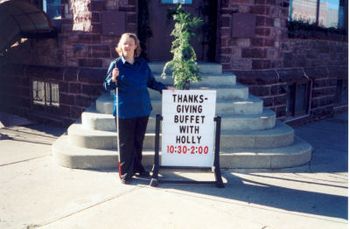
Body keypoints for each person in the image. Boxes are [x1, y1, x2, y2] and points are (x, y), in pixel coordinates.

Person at [104, 33, 169, 184]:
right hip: (124, 110)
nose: (128, 46)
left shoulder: (142, 64)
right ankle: (126, 171)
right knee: (126, 142)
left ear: (135, 46)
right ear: (120, 47)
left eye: (131, 43)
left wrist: (165, 89)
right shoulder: (116, 65)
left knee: (138, 141)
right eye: (125, 43)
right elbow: (107, 86)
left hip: (142, 108)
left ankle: (138, 167)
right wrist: (113, 78)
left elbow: (151, 82)